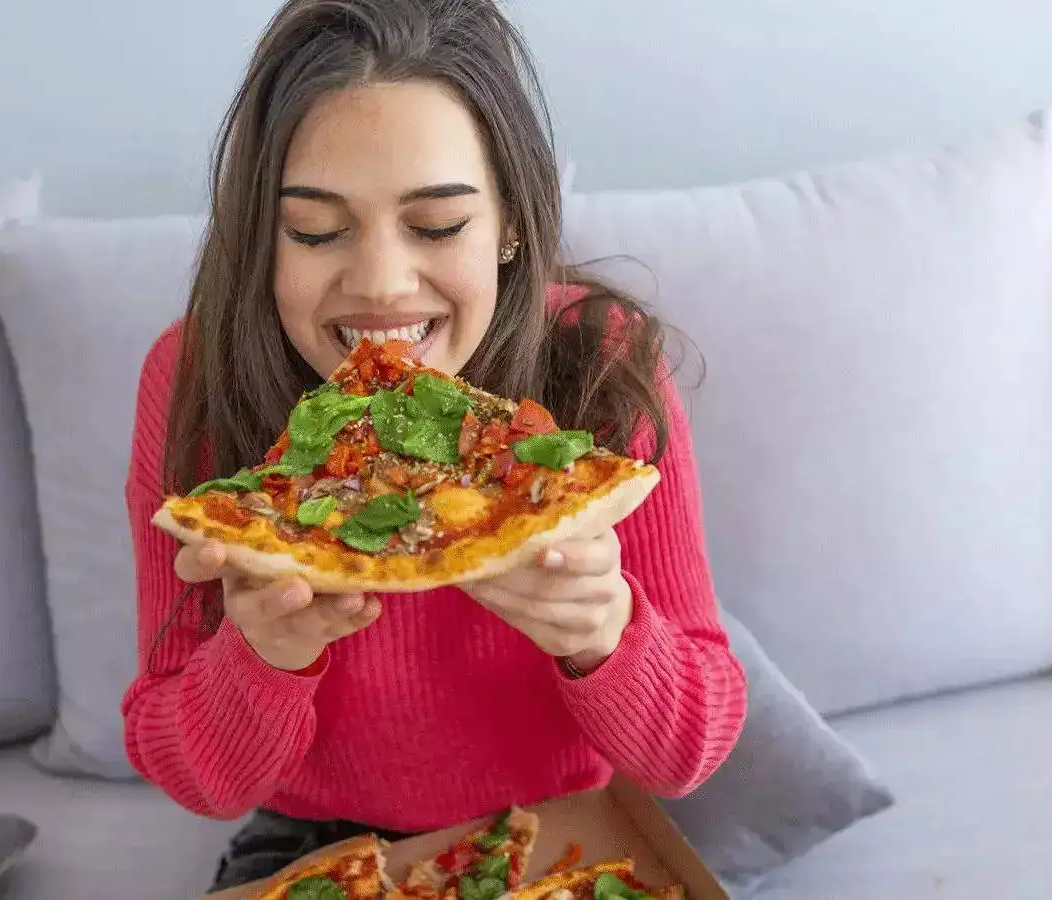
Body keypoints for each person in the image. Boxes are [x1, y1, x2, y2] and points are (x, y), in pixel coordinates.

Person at [120, 0, 747, 891]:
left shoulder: (597, 365)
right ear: (261, 235)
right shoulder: (193, 378)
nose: (380, 284)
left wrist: (603, 637)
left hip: (552, 827)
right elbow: (191, 774)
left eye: (438, 224)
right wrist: (263, 655)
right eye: (315, 229)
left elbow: (690, 752)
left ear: (513, 221)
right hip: (311, 841)